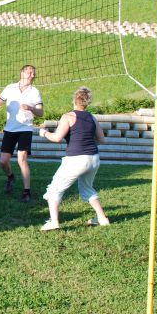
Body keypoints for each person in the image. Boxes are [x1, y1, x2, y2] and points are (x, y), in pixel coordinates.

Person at [37, 86, 109, 230]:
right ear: (87, 102)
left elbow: (57, 138)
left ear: (74, 100)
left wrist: (44, 133)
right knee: (87, 188)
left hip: (76, 160)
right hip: (93, 158)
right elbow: (102, 140)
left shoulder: (68, 116)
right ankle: (102, 218)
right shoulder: (92, 117)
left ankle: (54, 222)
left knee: (54, 190)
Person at [0, 64, 43, 201]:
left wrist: (31, 108)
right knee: (3, 161)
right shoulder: (10, 88)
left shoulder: (34, 92)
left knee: (22, 159)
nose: (33, 75)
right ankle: (11, 177)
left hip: (25, 129)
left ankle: (27, 192)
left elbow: (41, 112)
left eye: (34, 73)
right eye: (30, 72)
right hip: (10, 129)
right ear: (22, 73)